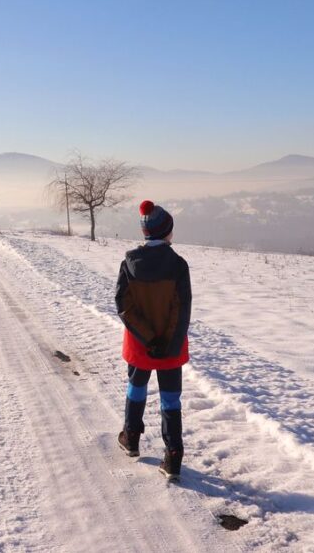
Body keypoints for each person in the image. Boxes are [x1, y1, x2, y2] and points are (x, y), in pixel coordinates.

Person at [114, 200, 191, 481]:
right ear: (166, 232)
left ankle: (131, 438)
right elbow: (181, 309)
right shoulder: (178, 265)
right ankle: (173, 456)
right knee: (171, 399)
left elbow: (123, 305)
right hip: (170, 347)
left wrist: (147, 338)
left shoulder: (129, 264)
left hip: (139, 344)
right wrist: (166, 343)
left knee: (136, 389)